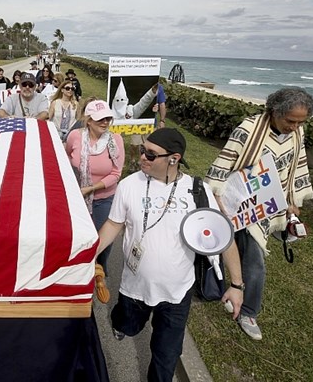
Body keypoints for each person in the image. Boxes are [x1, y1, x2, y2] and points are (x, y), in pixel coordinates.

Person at [97, 128, 243, 382]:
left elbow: (224, 237)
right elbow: (113, 225)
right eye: (142, 150)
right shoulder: (129, 185)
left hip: (178, 293)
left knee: (166, 355)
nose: (142, 156)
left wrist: (237, 284)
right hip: (134, 289)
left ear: (173, 159)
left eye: (150, 154)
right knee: (127, 324)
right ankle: (120, 323)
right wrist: (87, 256)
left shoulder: (198, 191)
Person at [205, 87, 313, 341]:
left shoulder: (297, 134)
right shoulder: (250, 128)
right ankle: (220, 288)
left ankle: (248, 310)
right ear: (275, 111)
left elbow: (295, 166)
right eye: (290, 120)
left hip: (265, 208)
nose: (294, 126)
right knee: (224, 245)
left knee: (254, 255)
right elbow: (227, 159)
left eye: (301, 121)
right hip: (235, 200)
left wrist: (291, 200)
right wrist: (218, 195)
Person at [65, 100, 124, 275]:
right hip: (77, 197)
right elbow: (68, 155)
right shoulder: (75, 136)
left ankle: (100, 271)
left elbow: (116, 173)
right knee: (79, 238)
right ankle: (79, 273)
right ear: (89, 120)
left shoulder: (116, 141)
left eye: (108, 118)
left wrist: (91, 188)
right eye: (100, 119)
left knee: (101, 240)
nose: (105, 122)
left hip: (103, 198)